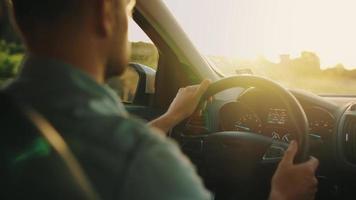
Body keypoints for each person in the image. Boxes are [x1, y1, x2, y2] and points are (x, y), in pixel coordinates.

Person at [3, 0, 319, 199]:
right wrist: (283, 194)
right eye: (128, 9)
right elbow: (120, 154)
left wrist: (169, 118)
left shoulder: (14, 120)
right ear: (105, 13)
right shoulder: (141, 160)